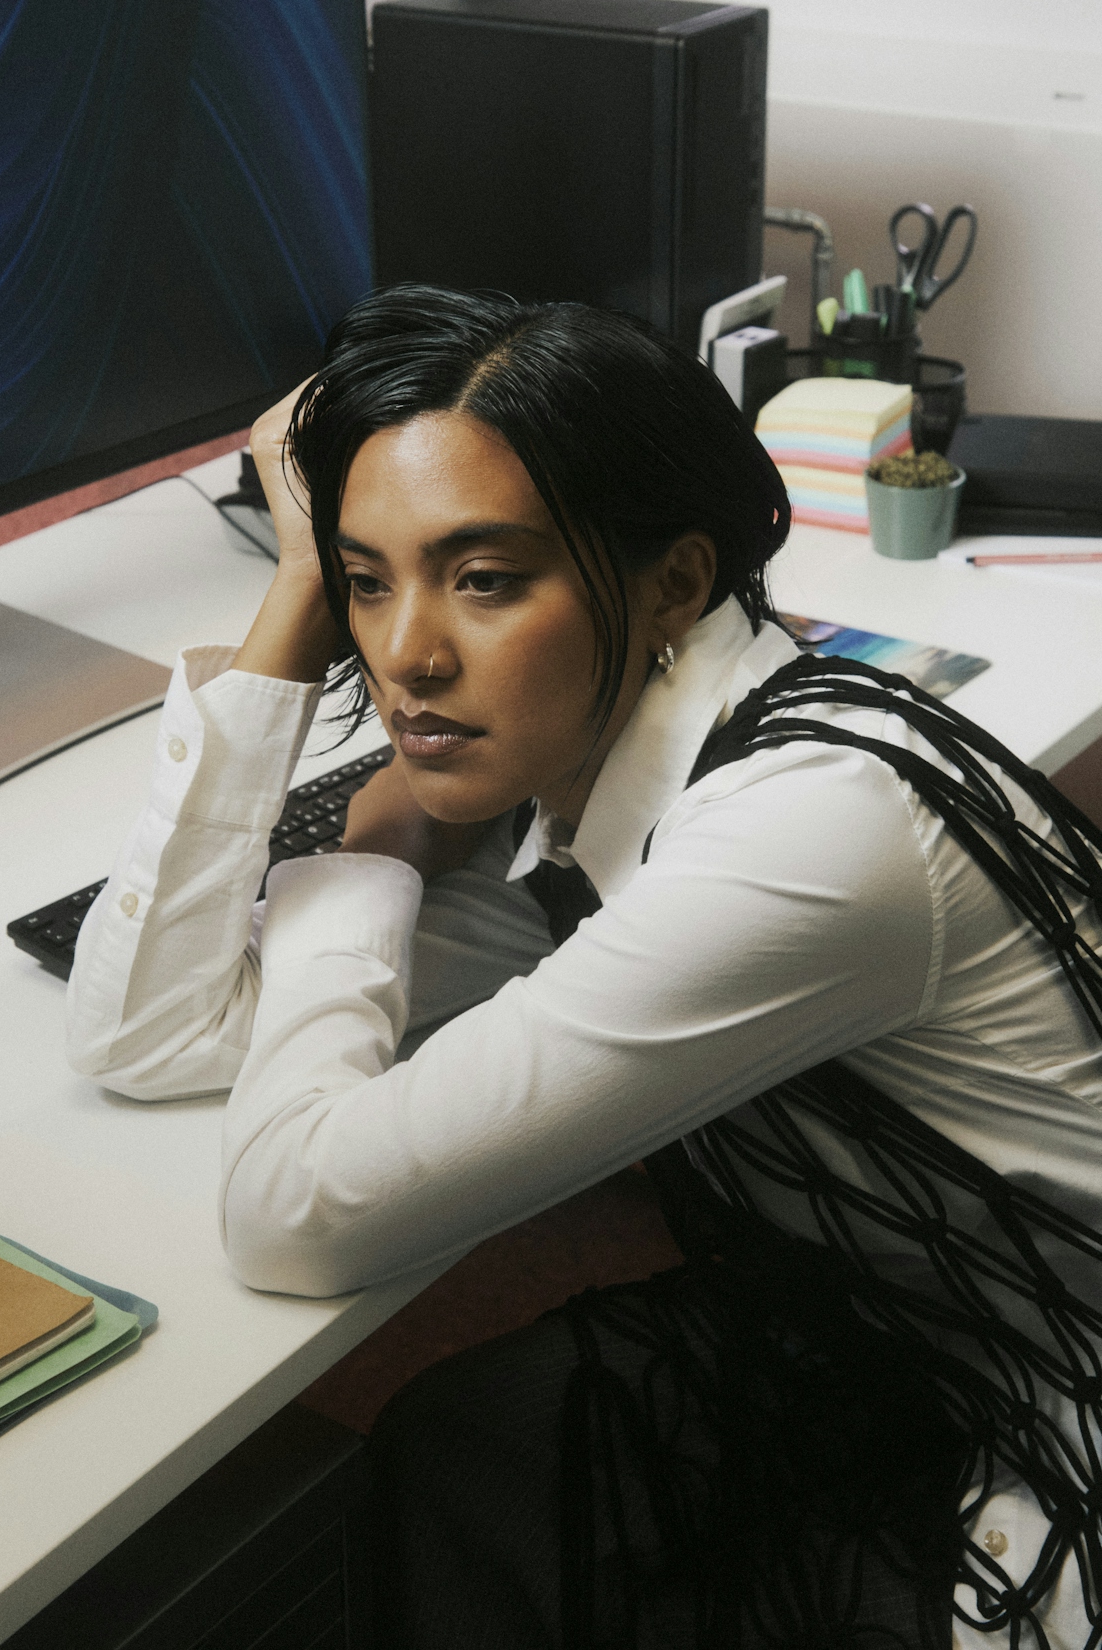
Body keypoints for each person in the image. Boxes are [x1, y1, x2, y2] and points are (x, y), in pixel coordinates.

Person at [67, 285, 1102, 1650]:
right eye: (370, 583)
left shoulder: (805, 834)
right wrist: (296, 589)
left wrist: (366, 865)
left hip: (1044, 1416)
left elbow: (295, 1212)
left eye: (484, 578)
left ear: (674, 580)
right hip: (898, 1319)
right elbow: (153, 1035)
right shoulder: (593, 775)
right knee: (475, 1441)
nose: (406, 657)